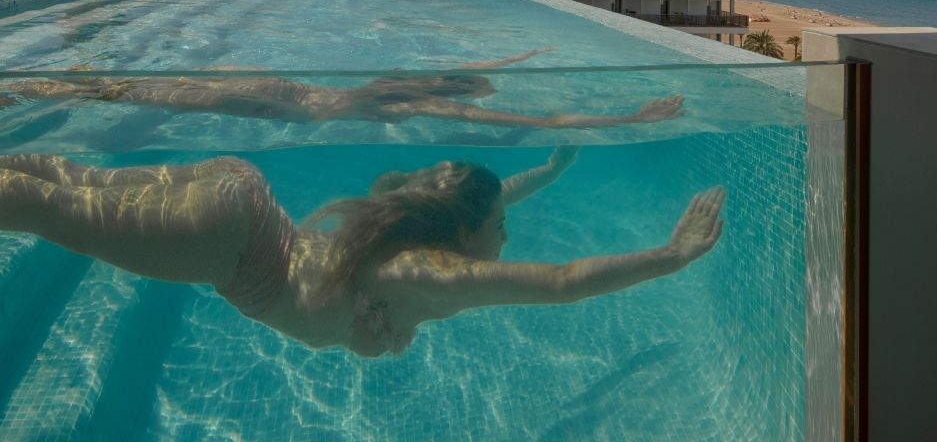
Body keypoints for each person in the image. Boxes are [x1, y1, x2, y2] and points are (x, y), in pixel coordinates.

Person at [0, 149, 725, 357]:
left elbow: (492, 198)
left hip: (240, 192)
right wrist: (671, 255)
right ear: (463, 233)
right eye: (499, 226)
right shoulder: (422, 268)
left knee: (63, 182)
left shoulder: (405, 226)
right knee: (43, 206)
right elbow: (562, 282)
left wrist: (550, 172)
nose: (506, 235)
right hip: (229, 239)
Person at [1, 51, 684, 128]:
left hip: (282, 102)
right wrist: (521, 55)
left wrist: (631, 118)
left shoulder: (417, 95)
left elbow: (536, 122)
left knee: (153, 95)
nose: (452, 80)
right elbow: (484, 72)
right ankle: (45, 87)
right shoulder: (419, 83)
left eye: (462, 83)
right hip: (279, 90)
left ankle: (33, 92)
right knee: (154, 87)